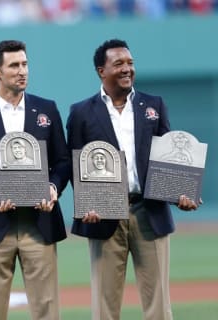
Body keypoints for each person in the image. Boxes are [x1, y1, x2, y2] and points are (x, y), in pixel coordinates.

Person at [66, 38, 200, 320]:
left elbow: (170, 157)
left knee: (159, 305)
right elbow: (75, 165)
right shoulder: (81, 112)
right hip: (103, 214)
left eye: (130, 63)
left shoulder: (154, 105)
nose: (127, 69)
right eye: (119, 64)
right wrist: (84, 205)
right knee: (104, 306)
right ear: (102, 71)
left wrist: (181, 194)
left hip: (149, 209)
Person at [0, 40, 71, 320]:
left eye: (25, 64)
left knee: (47, 309)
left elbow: (63, 161)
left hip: (39, 224)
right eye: (14, 65)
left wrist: (54, 188)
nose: (23, 71)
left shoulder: (47, 109)